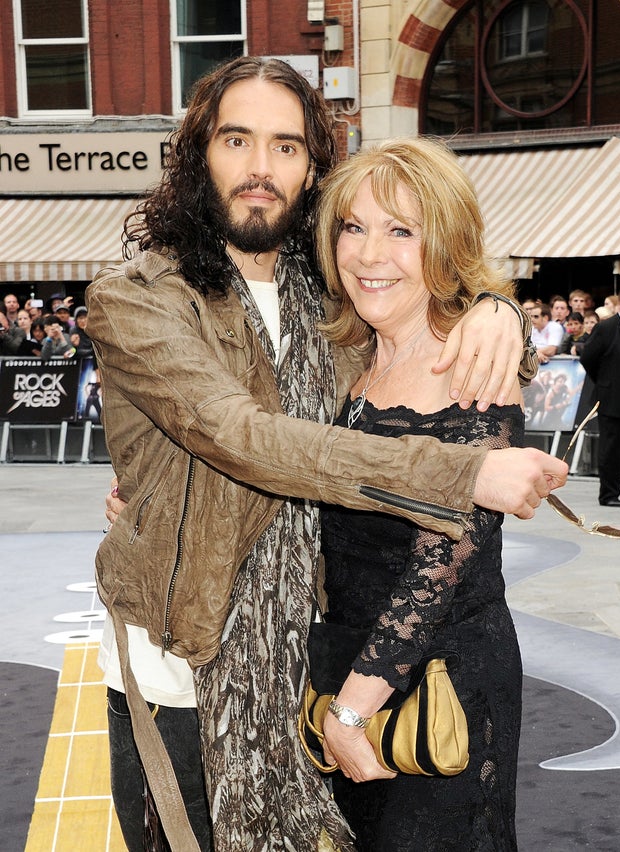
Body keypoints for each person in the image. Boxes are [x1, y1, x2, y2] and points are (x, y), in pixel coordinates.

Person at [87, 57, 566, 851]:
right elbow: (245, 438)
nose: (259, 170)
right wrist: (460, 475)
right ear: (197, 151)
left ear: (313, 167)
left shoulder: (336, 301)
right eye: (236, 140)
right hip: (182, 667)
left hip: (310, 665)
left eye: (285, 147)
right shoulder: (138, 296)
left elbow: (422, 290)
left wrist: (494, 308)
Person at [314, 136, 525, 852]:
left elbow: (441, 570)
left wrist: (351, 712)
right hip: (341, 664)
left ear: (446, 241)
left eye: (401, 230)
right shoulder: (342, 356)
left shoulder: (471, 363)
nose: (370, 255)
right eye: (354, 226)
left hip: (440, 684)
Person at [580, 286, 620, 507]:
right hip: (613, 398)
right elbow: (588, 357)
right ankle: (609, 494)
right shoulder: (606, 328)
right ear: (619, 303)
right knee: (613, 449)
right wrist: (604, 381)